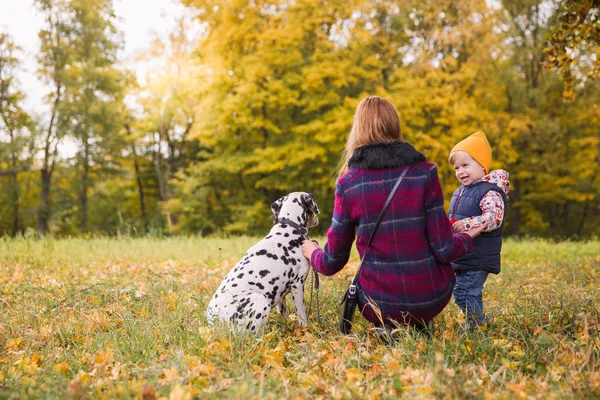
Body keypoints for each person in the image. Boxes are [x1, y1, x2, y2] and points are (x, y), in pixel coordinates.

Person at [301, 96, 486, 332]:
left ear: (357, 130)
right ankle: (419, 320)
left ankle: (389, 327)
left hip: (378, 303)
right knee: (426, 290)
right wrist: (466, 237)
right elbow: (445, 249)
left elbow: (331, 262)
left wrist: (312, 251)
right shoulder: (424, 174)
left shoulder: (349, 184)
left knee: (383, 301)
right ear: (395, 126)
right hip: (430, 297)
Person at [447, 131, 510, 331]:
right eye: (457, 167)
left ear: (482, 165)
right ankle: (476, 324)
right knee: (467, 292)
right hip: (464, 254)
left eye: (465, 165)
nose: (460, 171)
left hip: (478, 256)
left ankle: (477, 326)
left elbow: (494, 218)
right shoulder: (461, 191)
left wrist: (467, 224)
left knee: (464, 292)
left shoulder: (489, 191)